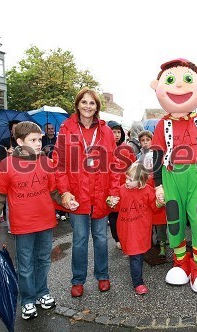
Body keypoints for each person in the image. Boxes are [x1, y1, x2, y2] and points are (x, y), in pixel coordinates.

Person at [151, 58, 197, 293]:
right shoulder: (163, 125)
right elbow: (157, 155)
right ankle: (180, 262)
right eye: (171, 81)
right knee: (174, 220)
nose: (179, 86)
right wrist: (158, 185)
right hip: (171, 176)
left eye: (187, 80)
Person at [0, 121, 67, 320]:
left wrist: (66, 199)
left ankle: (42, 292)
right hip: (22, 224)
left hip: (46, 221)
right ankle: (28, 299)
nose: (39, 143)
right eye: (33, 140)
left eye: (39, 139)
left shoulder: (46, 162)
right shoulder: (7, 165)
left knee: (42, 259)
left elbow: (54, 190)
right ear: (20, 141)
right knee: (25, 264)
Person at [54, 87, 120, 298]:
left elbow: (114, 164)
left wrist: (114, 190)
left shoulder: (106, 132)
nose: (88, 106)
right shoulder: (66, 129)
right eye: (84, 102)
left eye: (92, 103)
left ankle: (102, 276)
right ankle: (78, 280)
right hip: (77, 194)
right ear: (77, 104)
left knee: (101, 238)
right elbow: (60, 164)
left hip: (100, 193)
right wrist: (64, 191)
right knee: (80, 239)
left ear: (97, 107)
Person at [114, 163, 156, 295]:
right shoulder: (121, 190)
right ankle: (138, 282)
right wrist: (112, 202)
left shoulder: (148, 190)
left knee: (138, 254)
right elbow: (115, 208)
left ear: (141, 181)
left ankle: (137, 277)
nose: (127, 181)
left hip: (142, 229)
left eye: (130, 180)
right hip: (127, 229)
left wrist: (161, 200)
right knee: (135, 256)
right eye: (126, 178)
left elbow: (155, 206)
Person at [107, 120, 136, 250]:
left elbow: (133, 165)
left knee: (126, 213)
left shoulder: (126, 148)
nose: (117, 135)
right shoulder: (105, 148)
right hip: (111, 187)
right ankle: (117, 238)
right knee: (113, 214)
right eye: (114, 132)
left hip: (126, 186)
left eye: (119, 132)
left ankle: (127, 236)